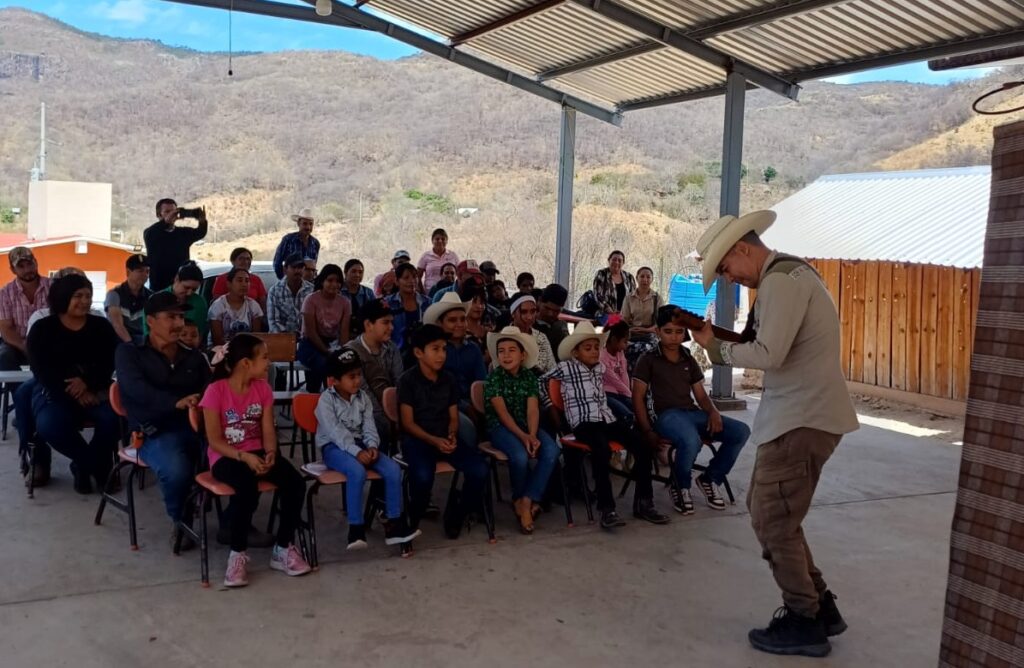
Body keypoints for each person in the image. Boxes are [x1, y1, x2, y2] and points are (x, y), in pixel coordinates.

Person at [690, 210, 859, 657]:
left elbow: (769, 352)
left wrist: (714, 347)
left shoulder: (782, 281)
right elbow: (767, 342)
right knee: (773, 515)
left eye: (725, 268)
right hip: (799, 416)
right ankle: (819, 608)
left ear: (743, 249)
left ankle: (805, 617)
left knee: (772, 519)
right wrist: (713, 338)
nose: (727, 278)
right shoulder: (785, 276)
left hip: (801, 419)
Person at [199, 333, 311, 587]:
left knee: (295, 483)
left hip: (257, 451)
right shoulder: (215, 391)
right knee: (246, 487)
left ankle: (283, 548)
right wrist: (243, 456)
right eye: (264, 357)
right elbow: (214, 440)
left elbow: (268, 430)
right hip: (227, 455)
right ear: (245, 363)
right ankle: (237, 555)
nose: (268, 363)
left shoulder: (262, 389)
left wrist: (271, 453)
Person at [543, 322, 668, 530]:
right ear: (575, 352)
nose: (593, 352)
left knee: (643, 444)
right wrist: (551, 406)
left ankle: (644, 502)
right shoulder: (565, 368)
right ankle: (607, 509)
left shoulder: (600, 368)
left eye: (595, 347)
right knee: (601, 451)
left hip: (606, 418)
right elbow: (541, 382)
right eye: (587, 348)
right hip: (583, 422)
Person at [115, 291, 211, 549]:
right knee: (176, 470)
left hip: (196, 428)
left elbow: (210, 391)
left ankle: (236, 525)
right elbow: (135, 391)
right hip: (152, 431)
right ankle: (181, 519)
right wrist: (175, 403)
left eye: (181, 317)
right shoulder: (129, 353)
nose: (179, 324)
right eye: (171, 317)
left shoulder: (194, 356)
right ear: (151, 320)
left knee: (234, 460)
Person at [633, 305, 750, 516]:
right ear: (658, 331)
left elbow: (701, 395)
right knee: (691, 439)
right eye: (668, 331)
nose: (674, 337)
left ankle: (710, 478)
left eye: (679, 332)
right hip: (666, 417)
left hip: (692, 414)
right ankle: (681, 485)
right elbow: (637, 398)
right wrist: (647, 431)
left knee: (741, 431)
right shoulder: (648, 359)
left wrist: (713, 412)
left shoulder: (687, 357)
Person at [316, 349, 420, 550]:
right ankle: (356, 528)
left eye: (358, 375)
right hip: (334, 448)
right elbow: (336, 432)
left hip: (362, 446)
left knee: (392, 469)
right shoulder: (326, 401)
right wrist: (357, 452)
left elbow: (369, 426)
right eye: (351, 377)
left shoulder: (363, 398)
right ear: (334, 380)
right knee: (357, 471)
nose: (357, 381)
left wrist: (372, 446)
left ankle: (394, 524)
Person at [27, 274, 120, 494]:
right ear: (62, 297)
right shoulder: (42, 328)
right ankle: (95, 465)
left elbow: (110, 362)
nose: (85, 301)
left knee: (114, 420)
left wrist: (87, 383)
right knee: (49, 424)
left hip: (96, 391)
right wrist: (75, 392)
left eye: (88, 295)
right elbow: (41, 369)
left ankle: (82, 467)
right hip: (56, 393)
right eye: (78, 296)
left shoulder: (101, 327)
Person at [398, 324, 488, 538]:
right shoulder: (407, 381)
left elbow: (454, 416)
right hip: (418, 440)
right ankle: (412, 516)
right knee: (422, 476)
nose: (441, 355)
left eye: (444, 349)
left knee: (480, 470)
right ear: (419, 353)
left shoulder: (448, 379)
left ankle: (457, 511)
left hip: (444, 439)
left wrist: (451, 435)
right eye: (435, 349)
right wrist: (434, 440)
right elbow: (408, 423)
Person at [484, 326, 559, 534]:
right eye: (501, 351)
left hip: (527, 427)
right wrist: (523, 436)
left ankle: (527, 499)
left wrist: (533, 435)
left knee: (552, 450)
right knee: (519, 456)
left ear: (523, 354)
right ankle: (519, 498)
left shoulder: (529, 377)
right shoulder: (494, 379)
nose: (506, 355)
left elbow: (533, 409)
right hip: (501, 427)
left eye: (511, 350)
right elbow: (502, 414)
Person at [424, 292, 487, 457]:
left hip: (472, 402)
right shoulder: (434, 350)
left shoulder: (473, 348)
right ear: (440, 323)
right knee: (468, 429)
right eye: (452, 320)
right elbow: (436, 389)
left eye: (462, 319)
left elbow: (482, 382)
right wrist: (465, 407)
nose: (459, 324)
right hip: (443, 406)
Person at [344, 299, 403, 437]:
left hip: (390, 409)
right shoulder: (351, 352)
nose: (391, 327)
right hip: (360, 414)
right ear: (368, 324)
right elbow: (362, 394)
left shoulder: (392, 348)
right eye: (385, 322)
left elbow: (399, 384)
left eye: (391, 322)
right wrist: (388, 422)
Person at [297, 264, 352, 392]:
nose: (334, 284)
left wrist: (342, 352)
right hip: (310, 343)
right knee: (322, 363)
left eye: (338, 281)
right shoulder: (310, 300)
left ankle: (333, 398)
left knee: (344, 364)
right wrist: (327, 352)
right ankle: (313, 396)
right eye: (330, 280)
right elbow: (310, 332)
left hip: (332, 343)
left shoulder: (345, 303)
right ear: (322, 281)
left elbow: (344, 333)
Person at [0, 246, 51, 370]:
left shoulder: (54, 287)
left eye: (29, 264)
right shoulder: (5, 293)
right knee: (4, 356)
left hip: (50, 341)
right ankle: (17, 389)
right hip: (18, 344)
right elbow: (6, 329)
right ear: (13, 269)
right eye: (21, 266)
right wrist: (25, 347)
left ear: (36, 262)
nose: (27, 269)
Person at [144, 199, 208, 292]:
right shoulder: (152, 233)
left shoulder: (182, 233)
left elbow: (200, 232)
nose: (172, 214)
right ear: (159, 215)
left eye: (174, 211)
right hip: (160, 287)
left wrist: (202, 220)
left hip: (182, 285)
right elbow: (151, 233)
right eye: (167, 212)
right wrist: (165, 222)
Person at [143, 262, 208, 342]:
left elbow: (199, 334)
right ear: (176, 279)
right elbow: (147, 333)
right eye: (186, 287)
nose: (189, 293)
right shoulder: (156, 301)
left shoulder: (199, 303)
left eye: (194, 290)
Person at [208, 268, 265, 346]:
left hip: (247, 350)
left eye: (247, 281)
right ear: (229, 284)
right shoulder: (218, 306)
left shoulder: (253, 306)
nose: (244, 284)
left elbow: (256, 337)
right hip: (221, 350)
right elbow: (217, 340)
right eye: (239, 280)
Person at [106, 253, 153, 345]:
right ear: (128, 272)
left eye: (147, 271)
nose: (145, 275)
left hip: (144, 341)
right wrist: (131, 344)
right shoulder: (114, 294)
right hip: (120, 341)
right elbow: (117, 325)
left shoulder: (151, 296)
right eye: (140, 271)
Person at [621, 266, 662, 370]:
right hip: (632, 334)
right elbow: (624, 320)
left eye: (648, 277)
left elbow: (661, 323)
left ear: (652, 279)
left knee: (646, 350)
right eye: (642, 276)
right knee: (626, 350)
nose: (645, 280)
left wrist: (645, 330)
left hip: (650, 335)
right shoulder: (629, 298)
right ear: (637, 278)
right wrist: (628, 331)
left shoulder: (657, 298)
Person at [506, 293, 556, 375]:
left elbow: (552, 370)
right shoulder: (503, 337)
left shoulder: (541, 337)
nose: (529, 317)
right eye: (524, 312)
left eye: (533, 312)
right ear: (513, 314)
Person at [384, 263, 429, 354]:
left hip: (423, 353)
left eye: (414, 277)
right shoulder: (387, 303)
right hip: (395, 353)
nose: (412, 281)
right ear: (397, 281)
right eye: (406, 278)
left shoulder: (427, 303)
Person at [211, 248, 268, 316]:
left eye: (248, 259)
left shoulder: (256, 279)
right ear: (233, 261)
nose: (245, 262)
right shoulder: (222, 279)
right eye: (241, 259)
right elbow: (217, 303)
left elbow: (263, 303)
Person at [267, 252, 313, 334]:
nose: (297, 270)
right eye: (294, 267)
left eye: (300, 267)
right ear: (285, 269)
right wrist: (289, 339)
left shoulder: (311, 290)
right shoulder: (274, 291)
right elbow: (273, 323)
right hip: (281, 338)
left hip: (306, 337)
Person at [601, 320, 634, 425]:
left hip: (621, 393)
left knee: (639, 409)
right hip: (606, 394)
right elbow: (614, 381)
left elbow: (624, 374)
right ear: (614, 340)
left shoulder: (620, 353)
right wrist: (629, 395)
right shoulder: (602, 357)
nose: (627, 344)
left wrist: (629, 395)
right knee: (627, 415)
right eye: (625, 341)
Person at [272, 208, 320, 279]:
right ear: (298, 223)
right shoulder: (288, 240)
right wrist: (285, 280)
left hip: (308, 284)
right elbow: (277, 263)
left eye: (310, 224)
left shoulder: (315, 243)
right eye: (305, 223)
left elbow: (313, 265)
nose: (308, 227)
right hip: (290, 283)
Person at [592, 250, 636, 316]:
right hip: (604, 312)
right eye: (614, 259)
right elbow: (598, 296)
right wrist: (609, 311)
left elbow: (633, 297)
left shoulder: (629, 277)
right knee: (615, 324)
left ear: (623, 263)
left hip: (625, 314)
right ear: (609, 260)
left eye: (619, 260)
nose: (616, 262)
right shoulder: (601, 274)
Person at [417, 228, 459, 294]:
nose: (440, 241)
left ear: (446, 241)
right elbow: (418, 276)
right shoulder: (425, 256)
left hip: (450, 293)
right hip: (429, 293)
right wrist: (422, 292)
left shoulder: (453, 255)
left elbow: (459, 274)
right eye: (437, 239)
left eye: (443, 239)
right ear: (432, 241)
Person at [340, 259, 375, 338]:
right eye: (353, 271)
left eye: (360, 272)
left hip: (362, 336)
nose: (357, 275)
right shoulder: (338, 291)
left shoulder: (368, 293)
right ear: (345, 272)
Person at [535, 283, 570, 355]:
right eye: (547, 308)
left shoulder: (561, 326)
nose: (550, 314)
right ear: (539, 301)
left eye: (556, 311)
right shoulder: (528, 323)